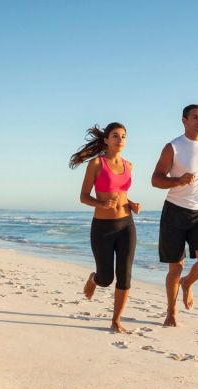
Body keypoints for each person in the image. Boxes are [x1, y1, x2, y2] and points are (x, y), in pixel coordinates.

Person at [152, 104, 198, 327]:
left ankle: (187, 283)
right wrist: (177, 181)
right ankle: (171, 312)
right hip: (175, 210)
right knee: (176, 266)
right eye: (195, 117)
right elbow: (155, 179)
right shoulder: (173, 147)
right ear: (184, 120)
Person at [69, 122, 141, 333]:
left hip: (126, 224)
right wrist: (100, 204)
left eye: (124, 136)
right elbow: (83, 197)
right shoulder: (97, 164)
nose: (120, 140)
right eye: (116, 136)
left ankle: (116, 320)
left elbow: (123, 194)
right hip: (102, 227)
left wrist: (132, 204)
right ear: (106, 140)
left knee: (125, 274)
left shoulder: (129, 165)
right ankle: (94, 279)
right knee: (106, 278)